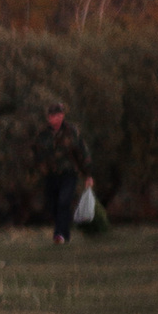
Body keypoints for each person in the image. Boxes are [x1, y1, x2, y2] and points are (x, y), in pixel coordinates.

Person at [42, 99, 92, 242]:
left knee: (64, 202)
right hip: (50, 175)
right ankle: (63, 232)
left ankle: (60, 235)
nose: (55, 118)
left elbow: (83, 152)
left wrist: (88, 174)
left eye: (58, 114)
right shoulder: (43, 134)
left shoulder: (72, 131)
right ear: (49, 117)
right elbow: (37, 153)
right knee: (53, 205)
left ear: (62, 115)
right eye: (52, 115)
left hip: (69, 174)